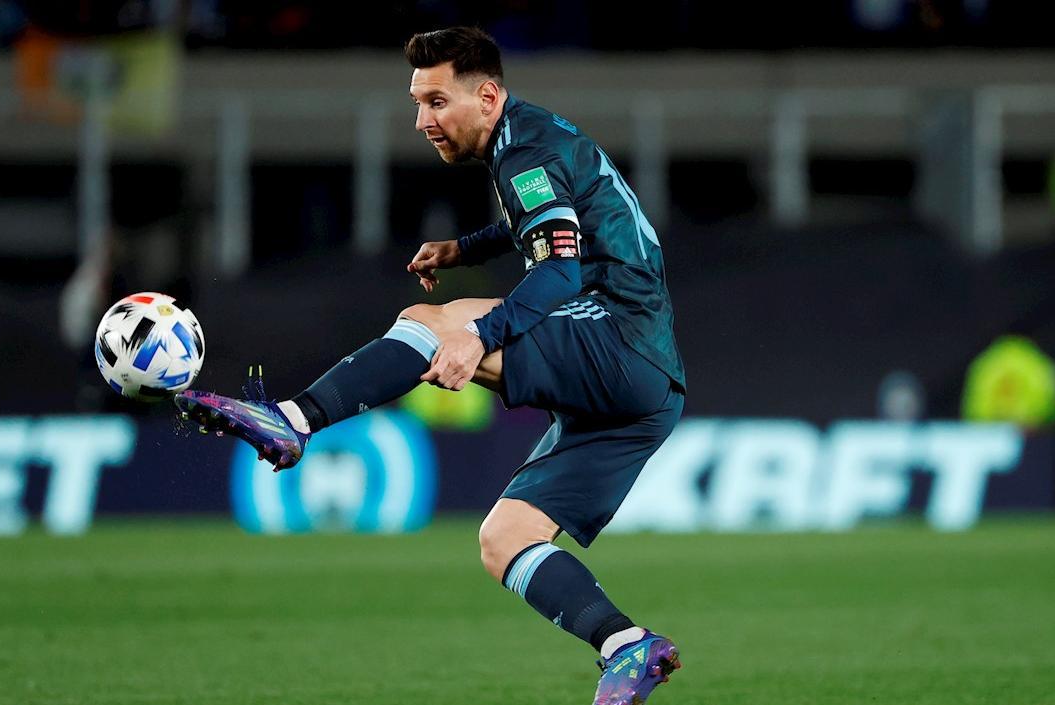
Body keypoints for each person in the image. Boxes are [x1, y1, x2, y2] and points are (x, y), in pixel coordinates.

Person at [176, 26, 687, 705]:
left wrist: (483, 336)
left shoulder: (524, 151)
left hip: (621, 337)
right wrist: (466, 248)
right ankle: (628, 646)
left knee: (432, 324)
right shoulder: (530, 139)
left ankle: (292, 420)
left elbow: (561, 269)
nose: (424, 121)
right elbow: (551, 220)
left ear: (486, 95)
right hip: (648, 391)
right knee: (505, 538)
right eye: (418, 103)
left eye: (438, 102)